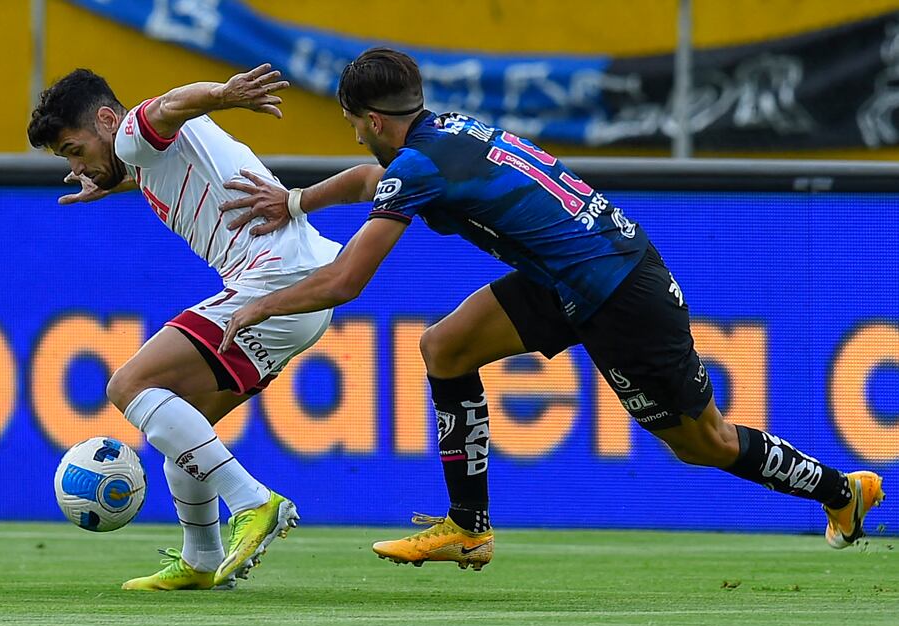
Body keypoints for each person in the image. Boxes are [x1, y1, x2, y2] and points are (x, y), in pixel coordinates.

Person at [216, 47, 885, 571]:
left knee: (700, 442)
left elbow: (344, 282)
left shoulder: (416, 162)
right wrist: (297, 202)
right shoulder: (444, 131)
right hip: (569, 274)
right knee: (446, 346)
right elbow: (375, 179)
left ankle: (842, 493)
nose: (357, 137)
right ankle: (469, 529)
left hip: (617, 290)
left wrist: (254, 310)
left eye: (355, 124)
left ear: (376, 120)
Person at [28, 65, 342, 589]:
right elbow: (163, 153)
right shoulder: (144, 158)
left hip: (274, 276)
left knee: (128, 386)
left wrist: (223, 94)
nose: (76, 164)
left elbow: (169, 104)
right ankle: (202, 559)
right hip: (304, 290)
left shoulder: (130, 133)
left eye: (75, 149)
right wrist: (115, 183)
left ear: (106, 120)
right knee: (185, 430)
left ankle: (252, 502)